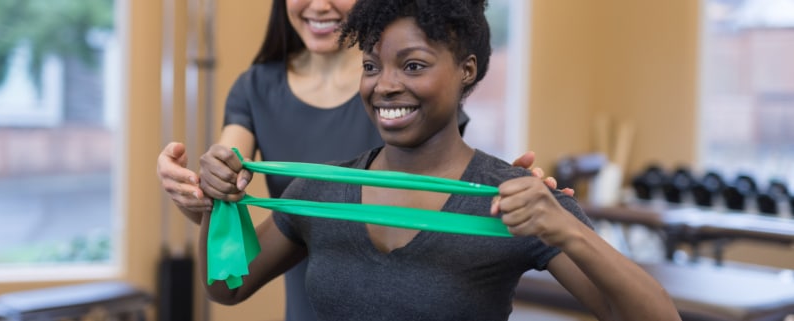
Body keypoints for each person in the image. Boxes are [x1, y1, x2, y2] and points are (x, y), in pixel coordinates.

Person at [195, 0, 681, 320]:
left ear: (466, 70)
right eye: (370, 66)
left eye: (413, 65)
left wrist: (567, 229)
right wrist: (211, 209)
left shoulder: (511, 201)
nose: (384, 84)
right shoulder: (319, 192)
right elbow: (226, 288)